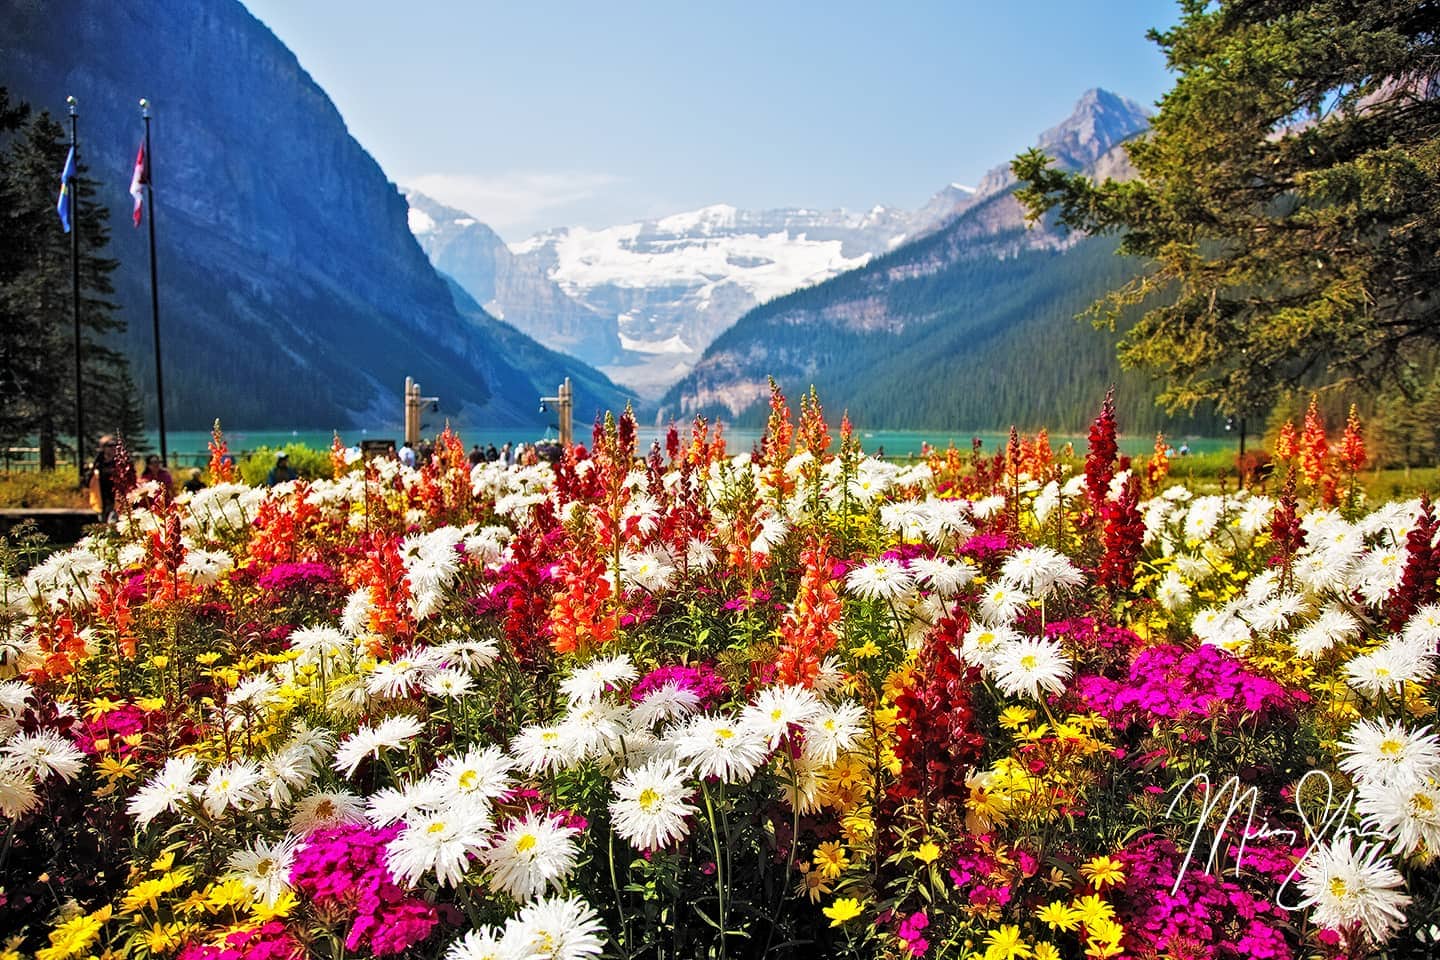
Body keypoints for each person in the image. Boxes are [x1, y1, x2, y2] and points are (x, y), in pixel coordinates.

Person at [87, 434, 118, 520]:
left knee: (112, 525)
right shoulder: (97, 464)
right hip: (101, 503)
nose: (113, 448)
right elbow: (87, 483)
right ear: (103, 448)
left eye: (115, 445)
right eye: (110, 445)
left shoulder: (119, 463)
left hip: (116, 503)